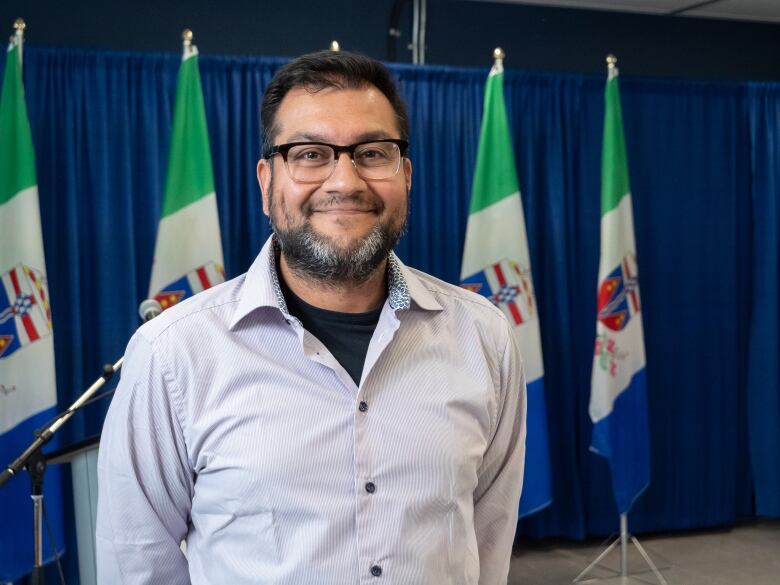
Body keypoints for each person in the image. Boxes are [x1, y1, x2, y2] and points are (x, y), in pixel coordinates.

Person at [97, 50, 526, 585]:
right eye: (309, 154)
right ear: (266, 181)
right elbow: (138, 563)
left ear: (406, 175)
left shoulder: (483, 337)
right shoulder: (173, 354)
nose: (345, 181)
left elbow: (487, 542)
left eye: (372, 152)